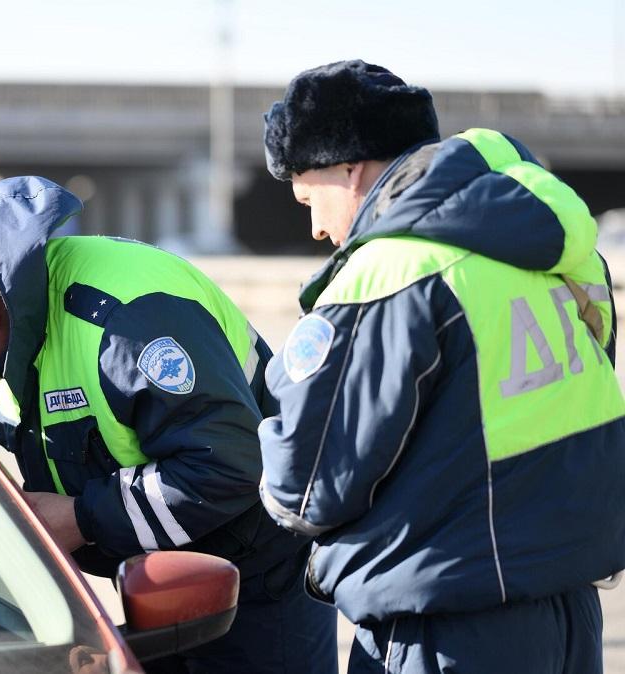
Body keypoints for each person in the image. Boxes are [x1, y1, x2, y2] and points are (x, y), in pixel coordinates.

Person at [0, 176, 337, 674]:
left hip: (258, 584)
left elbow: (230, 467)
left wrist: (82, 518)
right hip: (159, 579)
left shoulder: (124, 325)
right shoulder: (10, 344)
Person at [257, 60, 625, 674]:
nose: (317, 227)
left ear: (349, 168)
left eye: (307, 197)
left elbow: (307, 487)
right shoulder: (558, 251)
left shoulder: (389, 276)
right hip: (569, 613)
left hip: (446, 623)